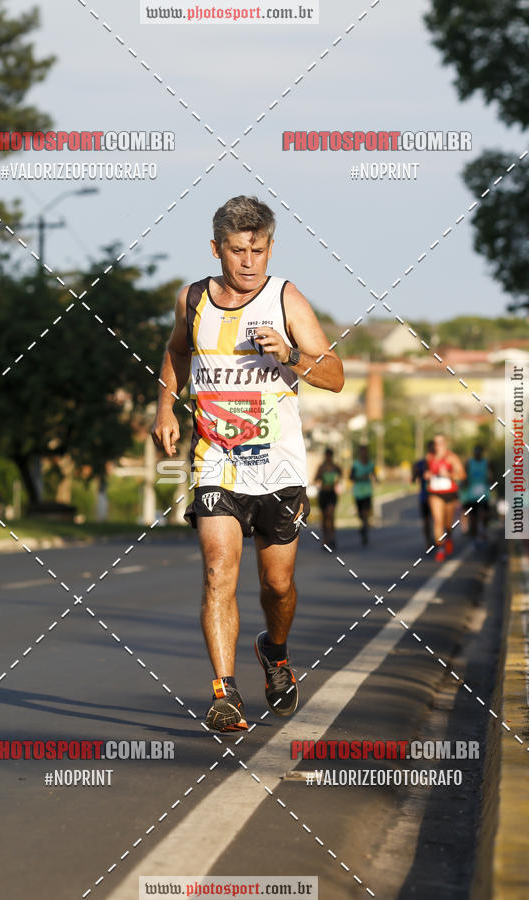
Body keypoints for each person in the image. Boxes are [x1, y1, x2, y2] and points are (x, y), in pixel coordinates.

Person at [151, 195, 344, 732]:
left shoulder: (286, 299)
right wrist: (166, 405)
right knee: (218, 574)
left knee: (277, 586)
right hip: (216, 462)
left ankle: (275, 651)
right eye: (237, 250)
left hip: (279, 469)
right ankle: (225, 692)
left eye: (258, 249)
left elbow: (335, 375)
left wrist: (289, 354)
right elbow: (177, 351)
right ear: (217, 249)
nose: (248, 261)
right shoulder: (192, 300)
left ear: (270, 248)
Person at [424, 433, 466, 561]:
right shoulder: (429, 457)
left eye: (440, 443)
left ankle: (448, 537)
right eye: (435, 443)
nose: (437, 446)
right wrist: (427, 475)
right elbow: (427, 473)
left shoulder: (451, 458)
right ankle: (440, 548)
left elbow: (462, 475)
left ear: (445, 444)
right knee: (438, 521)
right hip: (435, 492)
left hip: (450, 493)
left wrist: (449, 474)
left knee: (448, 524)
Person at [314, 448, 342, 549]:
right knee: (325, 517)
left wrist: (336, 482)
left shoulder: (336, 467)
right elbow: (316, 479)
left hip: (331, 494)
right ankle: (325, 539)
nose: (328, 457)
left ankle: (332, 538)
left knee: (331, 515)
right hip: (323, 493)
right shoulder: (321, 467)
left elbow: (341, 476)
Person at [466, 445, 492, 542]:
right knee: (473, 518)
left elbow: (491, 477)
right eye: (475, 452)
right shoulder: (469, 463)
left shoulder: (486, 463)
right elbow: (464, 477)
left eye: (479, 452)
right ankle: (474, 536)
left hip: (484, 493)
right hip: (472, 495)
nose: (477, 454)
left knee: (485, 514)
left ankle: (484, 531)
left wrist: (490, 478)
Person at [350, 445, 375, 545]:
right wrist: (360, 478)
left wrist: (376, 479)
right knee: (361, 513)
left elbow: (374, 474)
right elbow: (351, 476)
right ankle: (363, 524)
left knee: (366, 512)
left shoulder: (370, 464)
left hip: (367, 492)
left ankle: (365, 528)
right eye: (362, 452)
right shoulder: (356, 464)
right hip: (358, 492)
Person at [412, 440, 434, 549]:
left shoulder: (439, 462)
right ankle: (428, 540)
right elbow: (413, 479)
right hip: (424, 496)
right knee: (426, 521)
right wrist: (415, 472)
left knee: (437, 519)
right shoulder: (420, 463)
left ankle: (438, 537)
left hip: (437, 495)